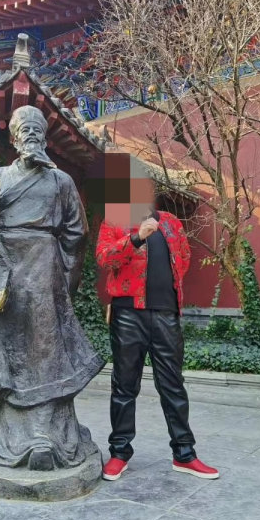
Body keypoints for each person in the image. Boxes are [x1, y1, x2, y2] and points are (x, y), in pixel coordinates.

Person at [0, 105, 104, 471]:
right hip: (2, 271)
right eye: (24, 129)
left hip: (44, 269)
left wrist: (64, 282)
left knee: (45, 352)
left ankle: (45, 435)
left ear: (45, 138)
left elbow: (77, 234)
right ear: (13, 138)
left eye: (37, 128)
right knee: (2, 352)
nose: (31, 134)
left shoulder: (61, 181)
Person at [95, 155, 219, 480]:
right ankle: (119, 452)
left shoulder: (171, 223)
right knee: (124, 386)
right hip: (128, 315)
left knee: (173, 385)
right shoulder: (115, 221)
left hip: (166, 314)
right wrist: (136, 238)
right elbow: (105, 258)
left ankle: (185, 454)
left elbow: (184, 258)